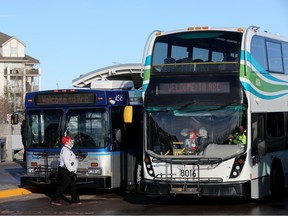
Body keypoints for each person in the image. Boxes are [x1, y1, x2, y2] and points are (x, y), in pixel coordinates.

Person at [50, 136, 81, 206]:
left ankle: (75, 200)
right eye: (70, 141)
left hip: (69, 170)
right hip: (65, 170)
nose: (72, 142)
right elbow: (66, 162)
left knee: (73, 185)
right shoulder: (65, 151)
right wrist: (71, 171)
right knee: (63, 185)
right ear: (66, 142)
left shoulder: (68, 150)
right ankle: (55, 200)